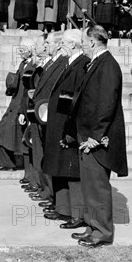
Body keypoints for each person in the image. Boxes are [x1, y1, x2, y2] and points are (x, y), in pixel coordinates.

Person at [71, 25, 128, 247]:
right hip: (86, 135)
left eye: (84, 41)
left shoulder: (108, 66)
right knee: (89, 186)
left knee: (98, 187)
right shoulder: (96, 63)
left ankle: (102, 231)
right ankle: (92, 226)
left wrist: (96, 135)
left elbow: (106, 104)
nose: (82, 45)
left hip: (97, 139)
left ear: (93, 42)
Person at [42, 29, 89, 230]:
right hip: (57, 124)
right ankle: (63, 208)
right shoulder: (71, 63)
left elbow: (76, 98)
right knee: (59, 168)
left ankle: (77, 214)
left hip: (67, 125)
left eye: (64, 44)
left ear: (72, 44)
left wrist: (70, 129)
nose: (61, 48)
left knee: (71, 171)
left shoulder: (80, 65)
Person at [29, 32, 68, 209]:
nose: (46, 46)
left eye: (48, 43)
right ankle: (45, 189)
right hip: (40, 113)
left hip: (47, 115)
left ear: (59, 44)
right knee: (40, 153)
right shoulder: (53, 62)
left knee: (47, 154)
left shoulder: (62, 63)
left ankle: (51, 193)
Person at [0, 37, 37, 173]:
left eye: (23, 50)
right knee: (3, 131)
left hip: (21, 105)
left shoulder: (32, 66)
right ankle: (7, 162)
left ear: (30, 51)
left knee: (15, 135)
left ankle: (17, 167)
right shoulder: (23, 64)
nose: (20, 52)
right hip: (15, 103)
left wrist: (23, 111)